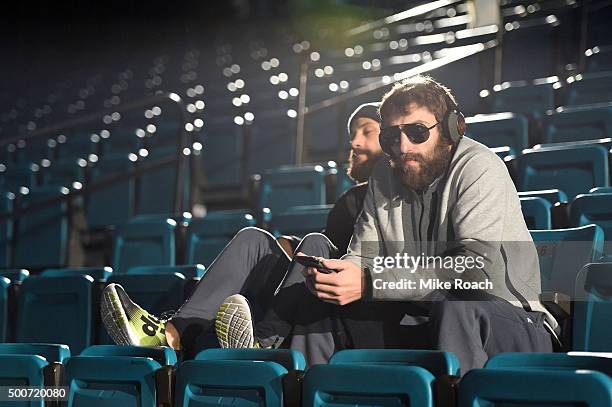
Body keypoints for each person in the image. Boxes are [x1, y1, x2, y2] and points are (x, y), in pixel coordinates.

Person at [216, 75, 559, 372]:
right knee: (321, 297)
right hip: (421, 315)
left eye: (416, 132)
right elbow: (362, 255)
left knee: (455, 305)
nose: (403, 146)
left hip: (514, 323)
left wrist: (368, 282)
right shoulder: (384, 174)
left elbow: (473, 270)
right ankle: (305, 389)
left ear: (454, 129)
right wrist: (340, 276)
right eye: (391, 136)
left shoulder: (479, 168)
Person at [100, 102, 383, 359]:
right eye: (352, 136)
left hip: (364, 305)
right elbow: (333, 245)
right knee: (254, 239)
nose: (355, 143)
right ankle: (169, 334)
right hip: (323, 291)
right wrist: (292, 246)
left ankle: (262, 343)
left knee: (315, 244)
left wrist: (310, 248)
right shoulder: (349, 201)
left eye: (366, 132)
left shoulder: (406, 198)